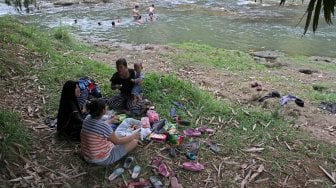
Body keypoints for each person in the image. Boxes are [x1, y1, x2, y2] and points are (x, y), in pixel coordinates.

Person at [80, 99, 139, 166]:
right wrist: (133, 136)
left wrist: (110, 120)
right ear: (103, 111)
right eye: (106, 107)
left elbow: (99, 126)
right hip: (100, 159)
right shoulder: (104, 126)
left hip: (87, 155)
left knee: (120, 137)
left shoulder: (87, 118)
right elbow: (117, 141)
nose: (107, 108)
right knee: (134, 141)